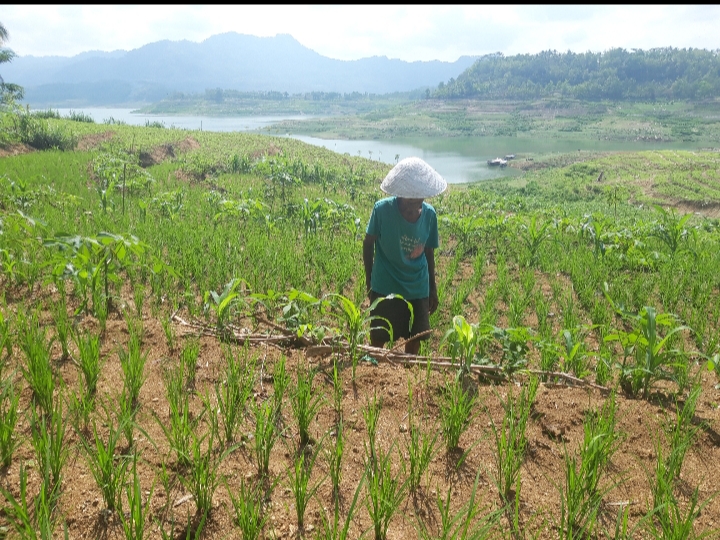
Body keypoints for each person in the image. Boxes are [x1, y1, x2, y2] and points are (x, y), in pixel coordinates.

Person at [363, 157, 447, 355]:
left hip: (417, 287)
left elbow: (429, 253)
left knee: (415, 338)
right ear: (399, 196)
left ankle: (408, 377)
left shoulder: (429, 216)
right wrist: (370, 281)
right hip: (385, 284)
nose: (413, 207)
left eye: (418, 201)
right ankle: (373, 372)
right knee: (378, 337)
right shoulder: (382, 210)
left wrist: (432, 288)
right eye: (408, 202)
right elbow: (368, 244)